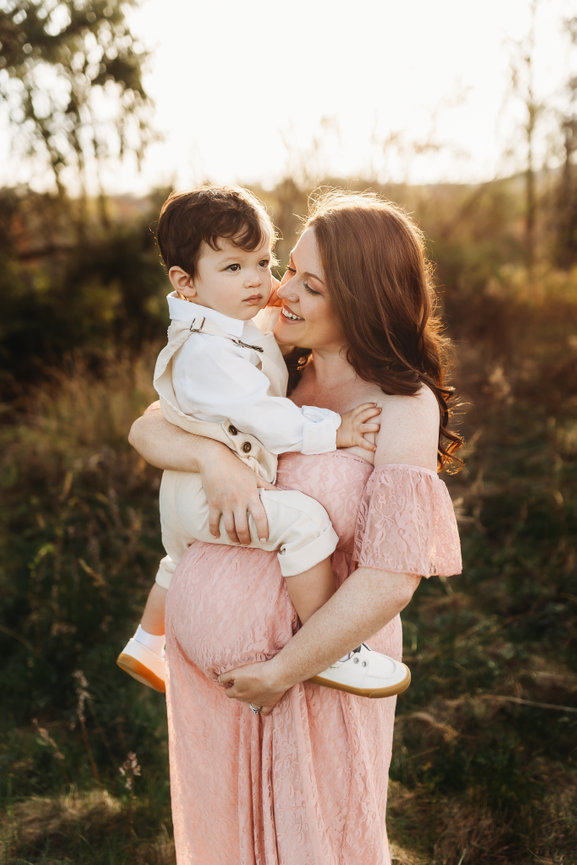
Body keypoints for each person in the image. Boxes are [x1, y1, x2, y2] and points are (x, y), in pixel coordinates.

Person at [129, 189, 463, 865]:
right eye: (286, 270)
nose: (279, 291)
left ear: (363, 298)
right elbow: (147, 424)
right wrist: (209, 456)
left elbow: (390, 579)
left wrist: (283, 669)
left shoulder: (400, 405)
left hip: (313, 680)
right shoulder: (271, 367)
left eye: (309, 285)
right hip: (221, 693)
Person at [117, 185, 410, 699]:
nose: (261, 282)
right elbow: (259, 416)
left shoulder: (235, 324)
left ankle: (146, 640)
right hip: (197, 491)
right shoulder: (207, 350)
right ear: (185, 282)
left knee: (176, 559)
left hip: (189, 492)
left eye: (265, 261)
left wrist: (280, 297)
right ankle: (333, 649)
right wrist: (333, 431)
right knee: (302, 523)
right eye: (234, 268)